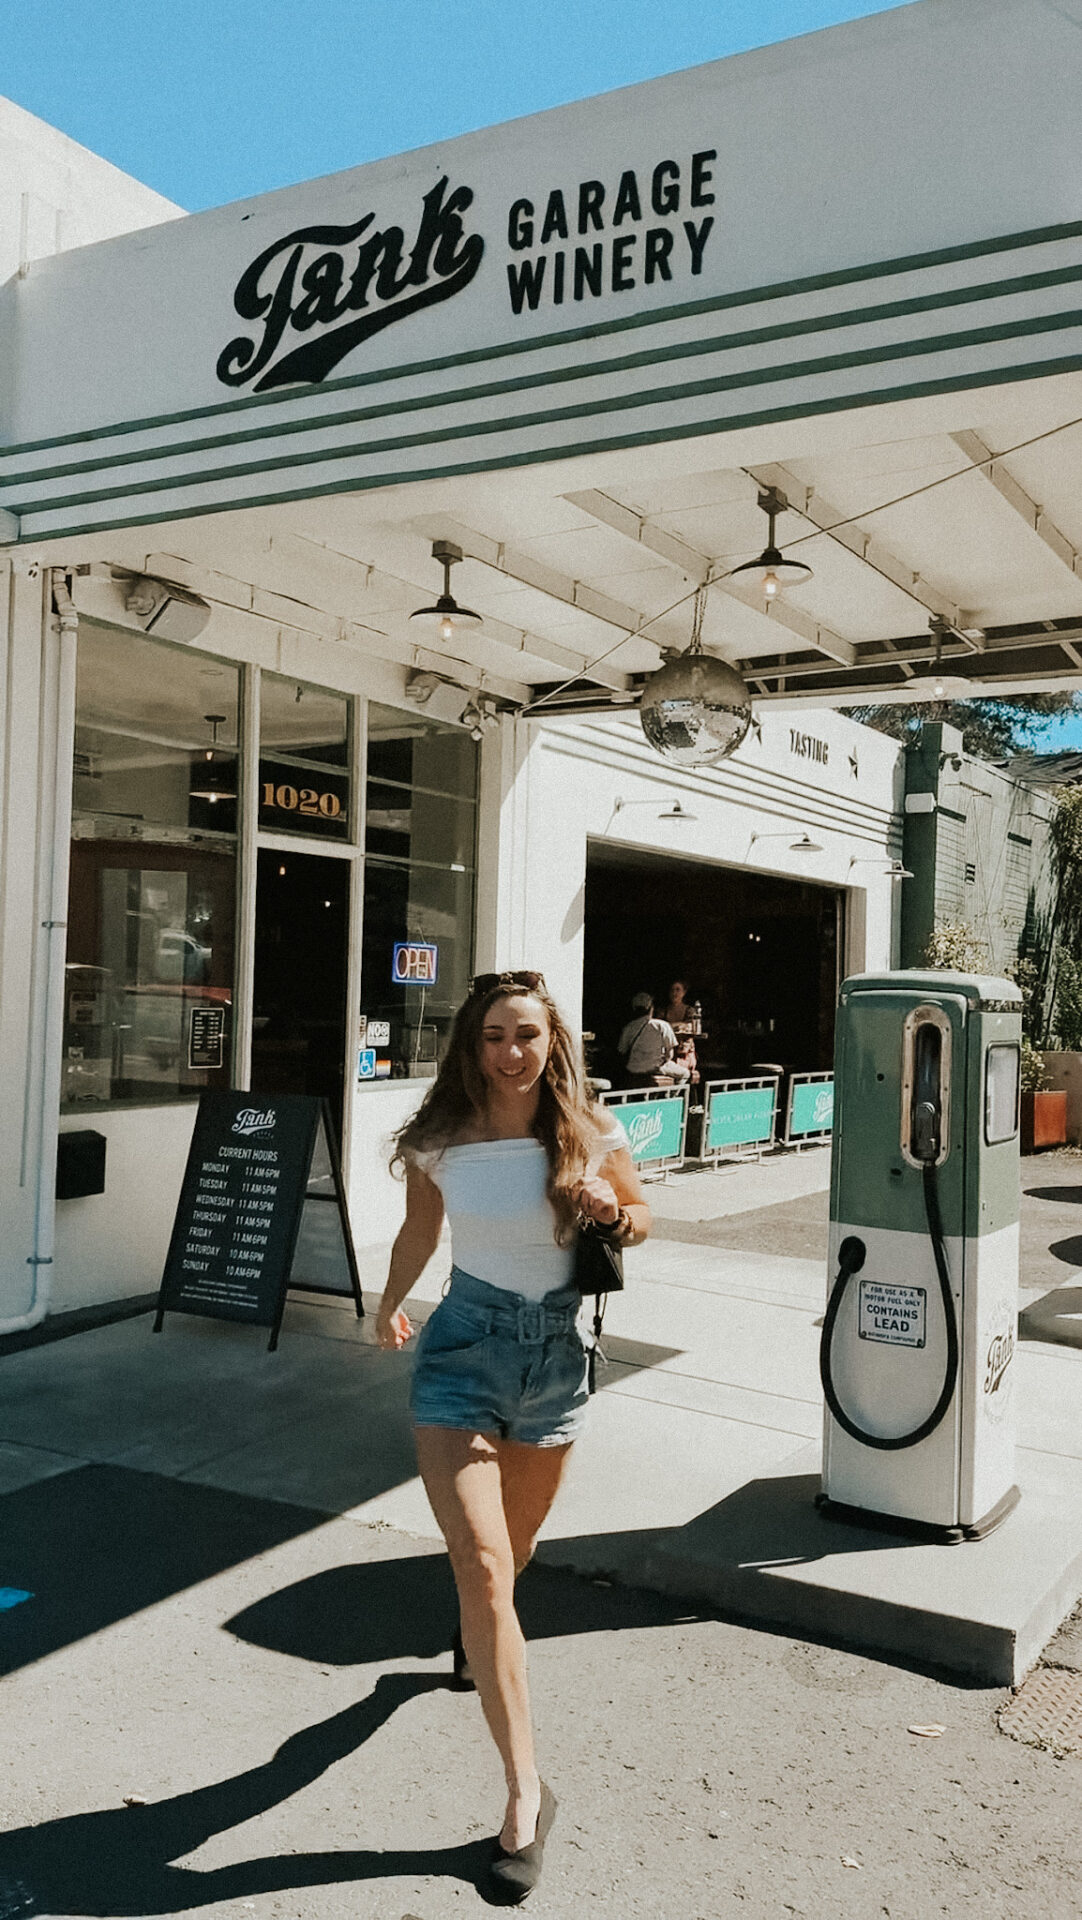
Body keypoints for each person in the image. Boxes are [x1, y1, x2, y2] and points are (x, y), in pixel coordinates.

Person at [376, 967, 650, 1903]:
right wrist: (389, 1304)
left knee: (514, 1557)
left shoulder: (588, 1128)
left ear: (551, 1040)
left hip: (556, 1358)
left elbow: (644, 1216)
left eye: (526, 1034)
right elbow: (420, 1234)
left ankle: (474, 1640)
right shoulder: (442, 1140)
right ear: (472, 1045)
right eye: (494, 1036)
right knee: (486, 1569)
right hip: (462, 1349)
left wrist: (616, 1212)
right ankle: (525, 1795)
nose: (511, 1053)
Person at [616, 991, 690, 1087]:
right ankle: (671, 1098)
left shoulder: (628, 1027)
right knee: (685, 1074)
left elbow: (622, 1050)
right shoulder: (662, 1025)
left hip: (633, 1069)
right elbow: (669, 1054)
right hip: (655, 1068)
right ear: (651, 1008)